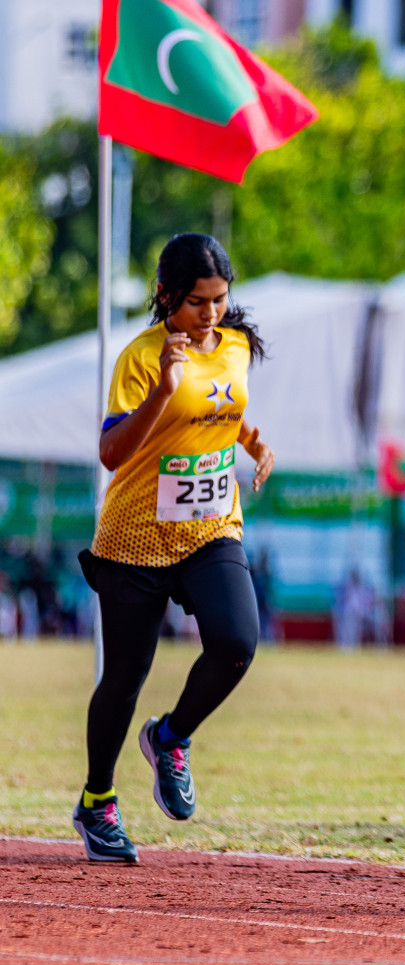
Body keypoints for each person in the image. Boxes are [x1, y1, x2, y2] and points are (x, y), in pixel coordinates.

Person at [72, 234, 275, 864]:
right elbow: (111, 453)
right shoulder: (140, 358)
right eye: (195, 303)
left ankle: (171, 737)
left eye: (219, 300)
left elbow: (221, 405)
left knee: (238, 642)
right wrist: (163, 386)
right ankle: (97, 802)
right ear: (165, 296)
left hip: (212, 527)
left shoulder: (235, 345)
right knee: (125, 677)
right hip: (137, 534)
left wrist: (254, 442)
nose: (210, 314)